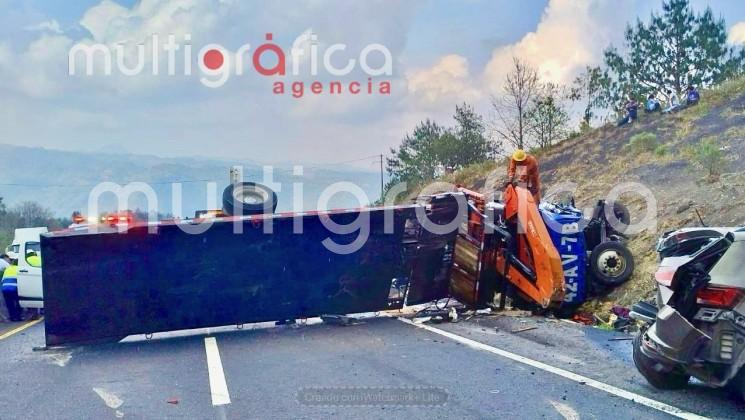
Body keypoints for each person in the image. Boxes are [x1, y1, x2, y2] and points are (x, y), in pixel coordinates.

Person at [1, 256, 22, 322]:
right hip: (14, 288)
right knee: (18, 303)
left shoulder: (8, 269)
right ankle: (18, 317)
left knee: (9, 304)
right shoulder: (19, 269)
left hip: (5, 288)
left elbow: (3, 280)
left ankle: (12, 317)